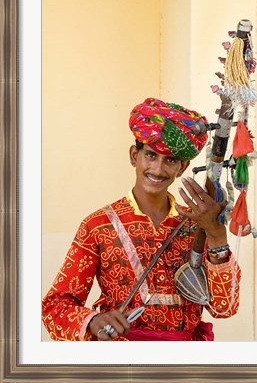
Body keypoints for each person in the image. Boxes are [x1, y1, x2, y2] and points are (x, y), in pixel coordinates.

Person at [42, 97, 241, 341]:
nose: (158, 169)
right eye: (150, 155)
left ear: (182, 167)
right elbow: (55, 307)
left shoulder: (198, 223)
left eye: (170, 160)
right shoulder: (98, 225)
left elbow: (224, 308)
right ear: (134, 155)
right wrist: (93, 321)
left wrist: (216, 234)